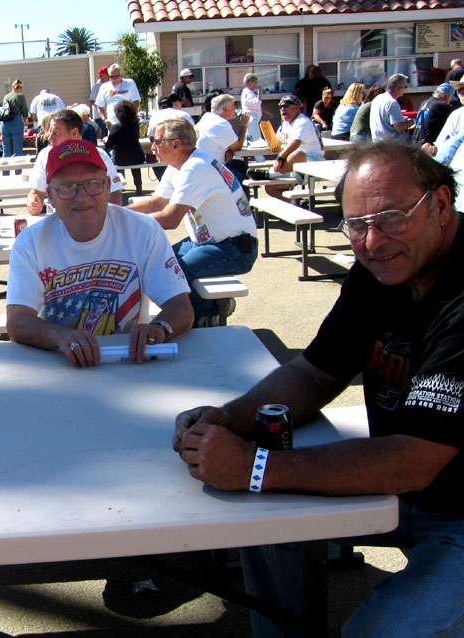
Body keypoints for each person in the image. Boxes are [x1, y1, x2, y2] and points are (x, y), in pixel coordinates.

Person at [173, 139, 464, 638]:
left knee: (377, 633)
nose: (373, 242)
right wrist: (231, 418)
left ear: (439, 204)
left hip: (452, 507)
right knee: (266, 525)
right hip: (408, 491)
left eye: (391, 218)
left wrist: (254, 468)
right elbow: (316, 372)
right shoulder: (383, 269)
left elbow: (415, 459)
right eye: (356, 225)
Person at [6, 139, 194, 367]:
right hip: (61, 363)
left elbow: (181, 307)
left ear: (107, 187)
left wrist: (160, 327)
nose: (82, 196)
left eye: (92, 184)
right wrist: (59, 335)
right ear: (50, 196)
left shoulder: (143, 229)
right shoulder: (30, 242)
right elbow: (17, 321)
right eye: (67, 187)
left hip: (130, 361)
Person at [127, 118, 258, 327]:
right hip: (211, 242)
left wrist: (125, 223)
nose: (152, 147)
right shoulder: (180, 165)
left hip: (235, 248)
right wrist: (113, 212)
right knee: (160, 262)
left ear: (176, 144)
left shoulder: (195, 167)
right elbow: (155, 203)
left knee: (175, 272)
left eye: (156, 141)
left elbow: (170, 219)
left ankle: (207, 316)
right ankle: (211, 308)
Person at [26, 109, 123, 215]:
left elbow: (115, 195)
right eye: (50, 132)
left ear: (74, 133)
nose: (50, 138)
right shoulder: (45, 155)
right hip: (58, 220)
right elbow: (36, 193)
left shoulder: (99, 155)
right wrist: (33, 203)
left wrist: (103, 218)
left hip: (93, 219)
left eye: (56, 134)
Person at [246, 95, 324, 200]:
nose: (282, 109)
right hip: (293, 168)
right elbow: (278, 141)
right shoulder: (285, 124)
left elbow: (295, 142)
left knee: (297, 154)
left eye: (286, 105)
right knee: (270, 188)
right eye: (280, 106)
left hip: (314, 165)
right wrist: (274, 145)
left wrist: (280, 158)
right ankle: (296, 204)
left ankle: (269, 174)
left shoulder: (303, 121)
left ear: (297, 107)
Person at [104, 100, 146, 195]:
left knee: (115, 164)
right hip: (137, 157)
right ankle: (139, 188)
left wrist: (106, 140)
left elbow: (109, 146)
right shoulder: (135, 125)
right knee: (136, 169)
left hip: (121, 159)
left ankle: (119, 187)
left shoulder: (116, 128)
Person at [195, 94, 249, 163]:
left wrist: (229, 150)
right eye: (233, 108)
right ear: (225, 109)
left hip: (199, 162)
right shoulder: (221, 124)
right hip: (208, 166)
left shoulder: (207, 117)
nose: (235, 110)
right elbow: (237, 146)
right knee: (242, 167)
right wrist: (244, 123)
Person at [370, 74, 415, 141]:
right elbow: (399, 127)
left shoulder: (377, 99)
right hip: (392, 143)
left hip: (377, 141)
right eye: (405, 87)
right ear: (399, 89)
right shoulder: (392, 102)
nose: (405, 89)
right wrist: (413, 121)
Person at [0, 79, 30, 158]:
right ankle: (17, 166)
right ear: (20, 88)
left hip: (4, 123)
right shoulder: (20, 96)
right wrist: (25, 118)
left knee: (6, 150)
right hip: (16, 122)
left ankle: (5, 166)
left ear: (12, 87)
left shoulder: (6, 97)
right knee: (17, 149)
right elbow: (24, 109)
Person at [241, 74, 268, 145]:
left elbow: (256, 106)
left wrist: (266, 112)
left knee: (251, 138)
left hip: (251, 118)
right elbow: (258, 102)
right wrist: (259, 92)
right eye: (256, 82)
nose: (256, 84)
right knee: (256, 140)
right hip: (252, 118)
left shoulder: (248, 93)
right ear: (252, 83)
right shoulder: (248, 94)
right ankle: (258, 152)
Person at [89, 67, 111, 137]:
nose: (100, 77)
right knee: (102, 136)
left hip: (110, 115)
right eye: (99, 75)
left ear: (107, 75)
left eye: (102, 75)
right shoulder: (96, 86)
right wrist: (101, 104)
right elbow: (92, 101)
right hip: (99, 117)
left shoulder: (112, 85)